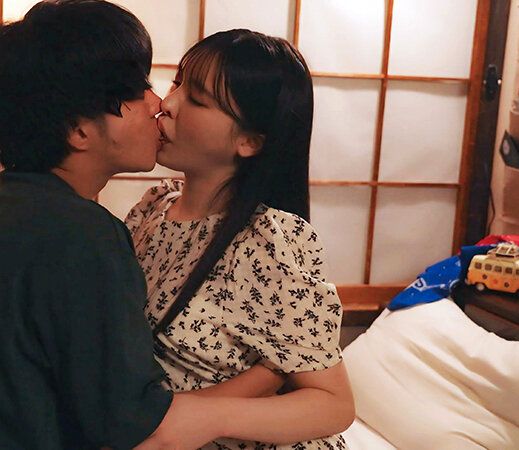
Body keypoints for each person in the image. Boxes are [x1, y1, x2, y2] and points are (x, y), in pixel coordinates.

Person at [0, 1, 225, 448]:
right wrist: (266, 378)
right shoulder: (81, 233)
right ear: (79, 130)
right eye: (138, 92)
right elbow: (131, 420)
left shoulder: (7, 202)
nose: (158, 104)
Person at [127, 29, 355, 449]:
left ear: (250, 141)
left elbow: (333, 404)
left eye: (197, 99)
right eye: (177, 83)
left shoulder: (268, 240)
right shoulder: (153, 208)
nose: (168, 103)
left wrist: (207, 416)